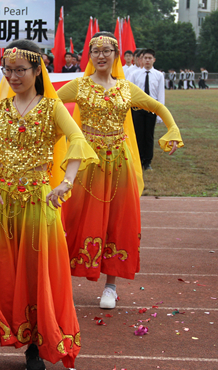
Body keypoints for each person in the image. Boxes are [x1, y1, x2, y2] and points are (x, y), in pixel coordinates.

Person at [0, 39, 98, 370]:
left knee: (35, 272)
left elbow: (78, 140)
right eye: (8, 70)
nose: (13, 76)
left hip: (38, 203)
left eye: (20, 70)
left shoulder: (52, 108)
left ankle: (35, 343)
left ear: (36, 69)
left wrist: (66, 182)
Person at [57, 33, 182, 309]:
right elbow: (48, 104)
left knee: (117, 221)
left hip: (119, 165)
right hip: (87, 164)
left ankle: (111, 287)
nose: (101, 55)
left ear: (116, 55)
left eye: (107, 50)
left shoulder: (126, 89)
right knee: (73, 218)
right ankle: (60, 280)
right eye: (96, 51)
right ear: (89, 57)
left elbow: (158, 106)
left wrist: (172, 129)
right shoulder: (78, 85)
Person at [128, 48, 166, 171]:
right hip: (138, 108)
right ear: (141, 60)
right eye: (145, 58)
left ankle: (147, 161)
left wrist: (160, 114)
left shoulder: (159, 75)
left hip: (152, 108)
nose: (148, 60)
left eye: (150, 58)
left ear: (154, 60)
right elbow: (130, 92)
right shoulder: (134, 75)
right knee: (138, 134)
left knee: (149, 135)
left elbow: (161, 94)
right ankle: (138, 159)